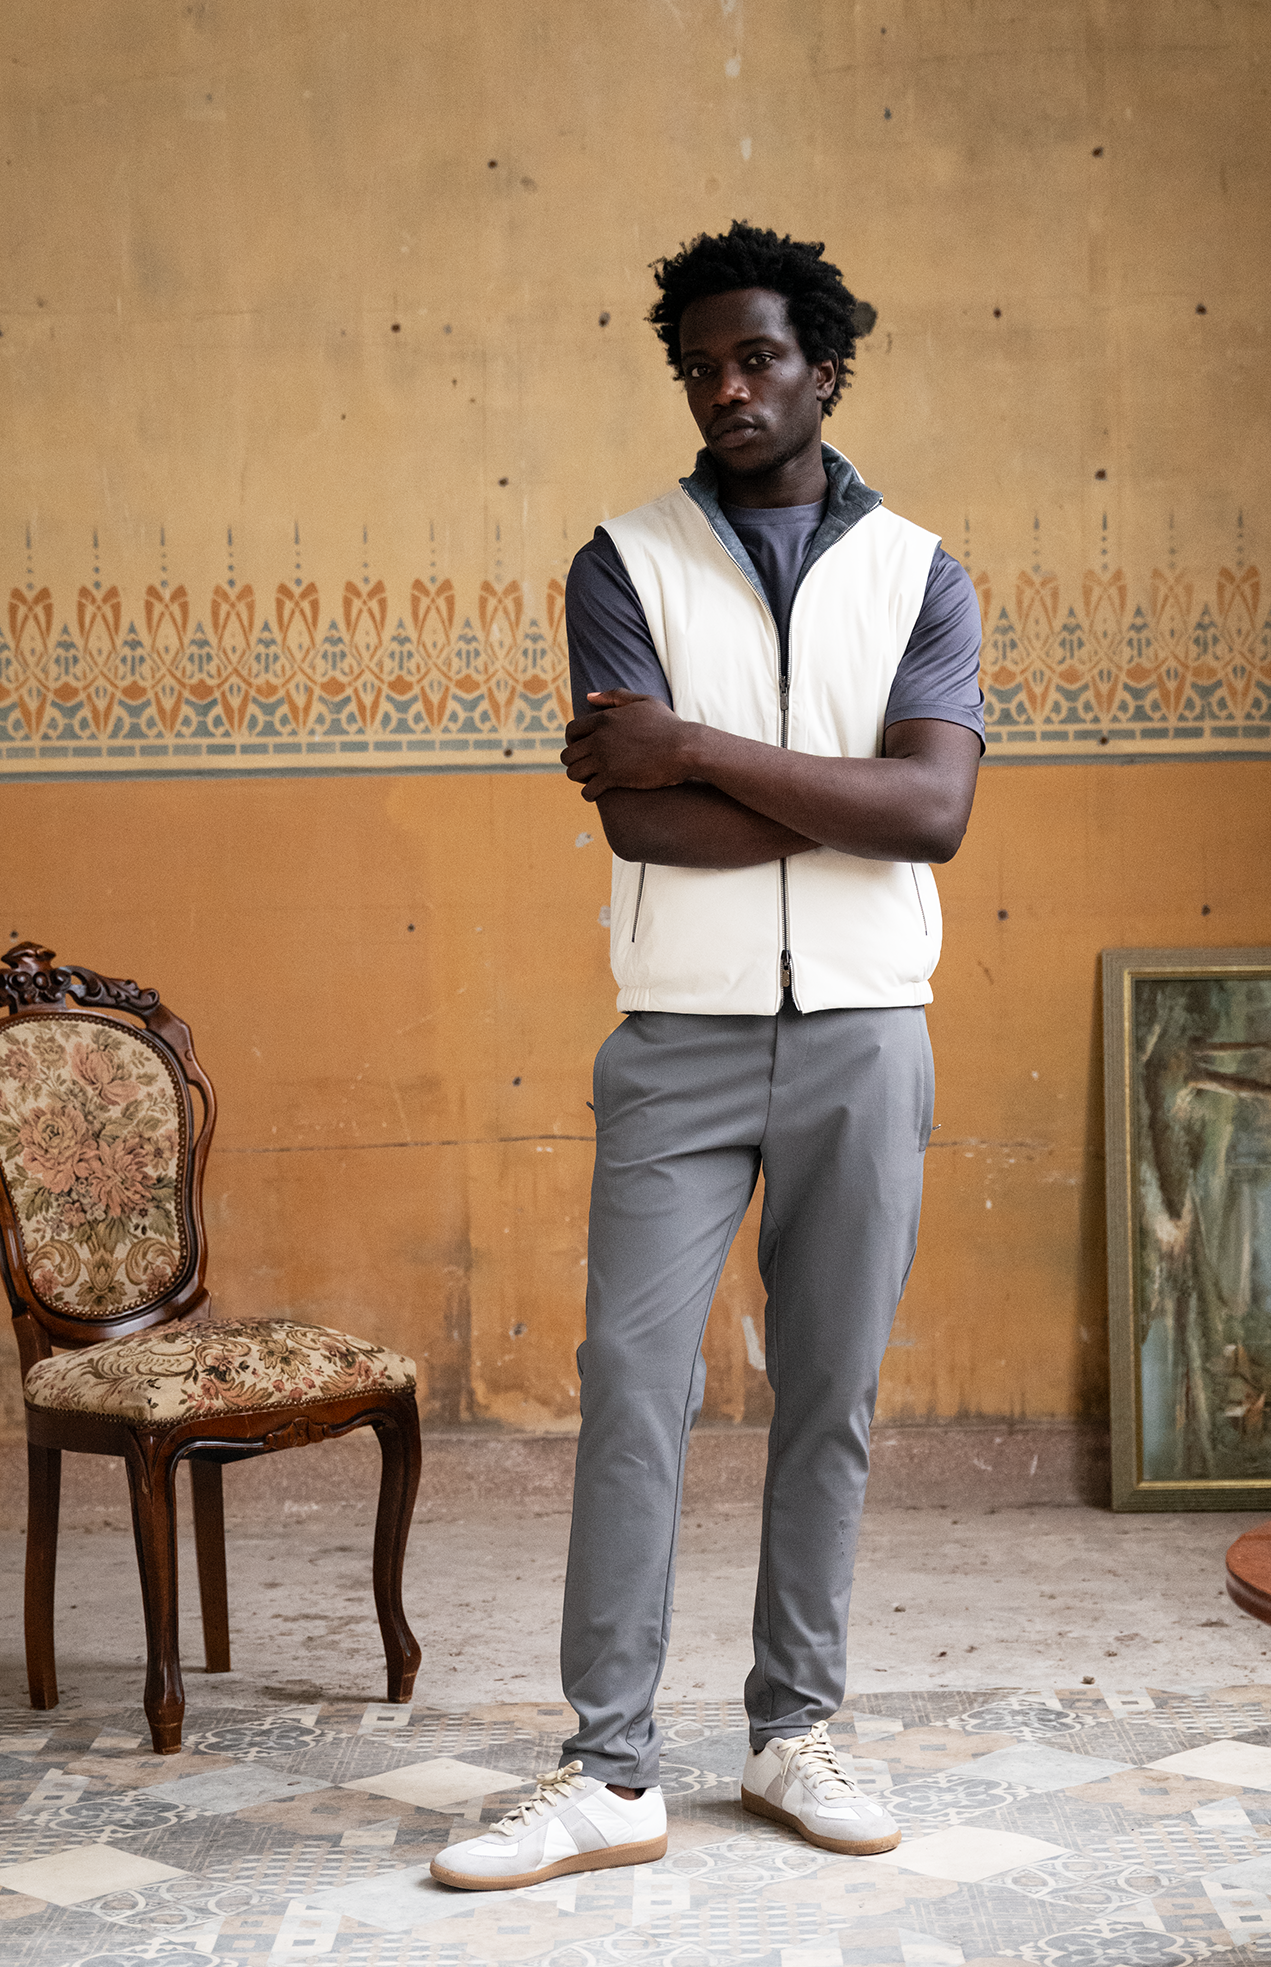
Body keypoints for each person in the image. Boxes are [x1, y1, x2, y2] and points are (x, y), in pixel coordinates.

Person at [433, 221, 983, 1894]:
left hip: (868, 1037)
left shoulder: (924, 573)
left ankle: (792, 1727)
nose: (727, 388)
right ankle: (609, 1768)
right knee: (631, 1389)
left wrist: (702, 746)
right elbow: (641, 808)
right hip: (677, 1037)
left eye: (757, 359)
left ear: (824, 364)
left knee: (830, 1395)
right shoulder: (625, 559)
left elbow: (934, 813)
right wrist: (813, 788)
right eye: (701, 366)